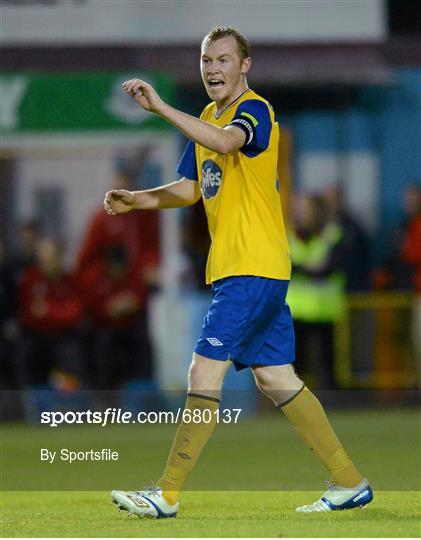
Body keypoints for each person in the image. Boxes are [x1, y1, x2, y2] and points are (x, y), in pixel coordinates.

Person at [106, 26, 373, 518]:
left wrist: (161, 109)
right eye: (207, 60)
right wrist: (138, 201)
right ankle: (348, 482)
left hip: (252, 267)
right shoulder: (208, 116)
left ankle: (165, 494)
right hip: (248, 270)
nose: (213, 68)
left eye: (224, 60)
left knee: (202, 370)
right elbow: (191, 187)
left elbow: (228, 144)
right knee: (276, 380)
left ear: (244, 66)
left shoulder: (255, 110)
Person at [287, 192, 347, 389]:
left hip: (324, 310)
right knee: (296, 365)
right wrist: (311, 268)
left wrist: (301, 268)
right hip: (297, 311)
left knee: (327, 363)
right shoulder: (290, 235)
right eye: (299, 209)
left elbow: (330, 268)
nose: (300, 213)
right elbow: (284, 267)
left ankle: (332, 403)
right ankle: (294, 405)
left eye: (305, 209)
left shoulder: (332, 234)